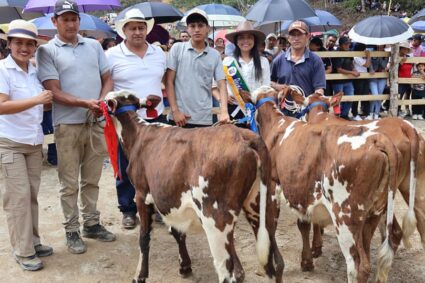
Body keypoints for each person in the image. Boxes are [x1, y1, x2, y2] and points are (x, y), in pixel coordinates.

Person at [36, 0, 115, 255]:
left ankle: (91, 223)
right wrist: (85, 102)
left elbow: (107, 78)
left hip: (95, 122)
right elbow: (53, 90)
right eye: (65, 19)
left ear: (79, 21)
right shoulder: (47, 51)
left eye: (74, 18)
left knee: (92, 178)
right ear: (54, 22)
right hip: (67, 124)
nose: (70, 23)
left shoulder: (93, 45)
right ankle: (72, 229)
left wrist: (101, 100)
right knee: (68, 182)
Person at [105, 9, 167, 229]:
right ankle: (128, 209)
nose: (138, 32)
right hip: (126, 122)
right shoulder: (111, 55)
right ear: (124, 30)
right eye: (133, 28)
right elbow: (106, 83)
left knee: (157, 165)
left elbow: (167, 80)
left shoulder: (158, 53)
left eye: (141, 27)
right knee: (126, 165)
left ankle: (156, 205)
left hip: (154, 118)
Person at [0, 19, 54, 271]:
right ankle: (22, 251)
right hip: (10, 143)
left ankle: (32, 241)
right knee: (18, 198)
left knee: (31, 196)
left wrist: (46, 103)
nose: (23, 47)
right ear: (9, 44)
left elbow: (38, 104)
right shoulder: (2, 70)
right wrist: (37, 100)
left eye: (29, 44)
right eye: (18, 42)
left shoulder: (33, 70)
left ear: (34, 46)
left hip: (33, 142)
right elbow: (1, 106)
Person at [166, 8, 229, 128]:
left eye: (200, 25)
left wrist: (224, 111)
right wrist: (175, 111)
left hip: (203, 119)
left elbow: (221, 84)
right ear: (187, 29)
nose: (196, 29)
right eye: (192, 26)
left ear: (208, 28)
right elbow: (169, 81)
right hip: (179, 118)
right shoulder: (177, 49)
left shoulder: (214, 55)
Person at [270, 21, 326, 117]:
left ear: (308, 37)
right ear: (288, 38)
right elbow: (270, 82)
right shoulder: (278, 60)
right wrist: (279, 87)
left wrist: (313, 106)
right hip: (283, 111)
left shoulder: (315, 61)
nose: (296, 38)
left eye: (300, 34)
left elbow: (319, 89)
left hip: (307, 110)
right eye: (293, 35)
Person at [223, 21, 271, 126]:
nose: (245, 41)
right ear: (236, 41)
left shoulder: (263, 61)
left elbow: (266, 87)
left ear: (254, 40)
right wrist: (224, 96)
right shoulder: (228, 62)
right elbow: (217, 85)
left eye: (249, 37)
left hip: (258, 111)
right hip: (234, 111)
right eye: (241, 37)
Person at [332, 36, 359, 120]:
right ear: (340, 45)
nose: (348, 45)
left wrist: (354, 69)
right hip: (338, 80)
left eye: (349, 44)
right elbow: (339, 69)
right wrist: (352, 72)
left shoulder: (349, 52)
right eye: (346, 44)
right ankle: (337, 115)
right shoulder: (336, 53)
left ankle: (344, 115)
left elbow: (351, 63)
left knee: (350, 97)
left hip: (348, 80)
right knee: (337, 99)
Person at [368, 45, 388, 120]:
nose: (381, 46)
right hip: (373, 77)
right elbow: (370, 63)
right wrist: (371, 69)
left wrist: (380, 56)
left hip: (382, 77)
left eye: (382, 45)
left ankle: (376, 113)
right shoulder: (372, 52)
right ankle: (371, 112)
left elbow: (384, 65)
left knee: (379, 96)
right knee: (374, 95)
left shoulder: (386, 54)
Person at [352, 43, 372, 120]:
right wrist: (369, 56)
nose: (365, 50)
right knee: (357, 96)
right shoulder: (356, 56)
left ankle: (366, 113)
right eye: (364, 49)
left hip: (365, 77)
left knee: (366, 95)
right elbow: (367, 64)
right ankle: (355, 114)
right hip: (358, 78)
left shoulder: (361, 56)